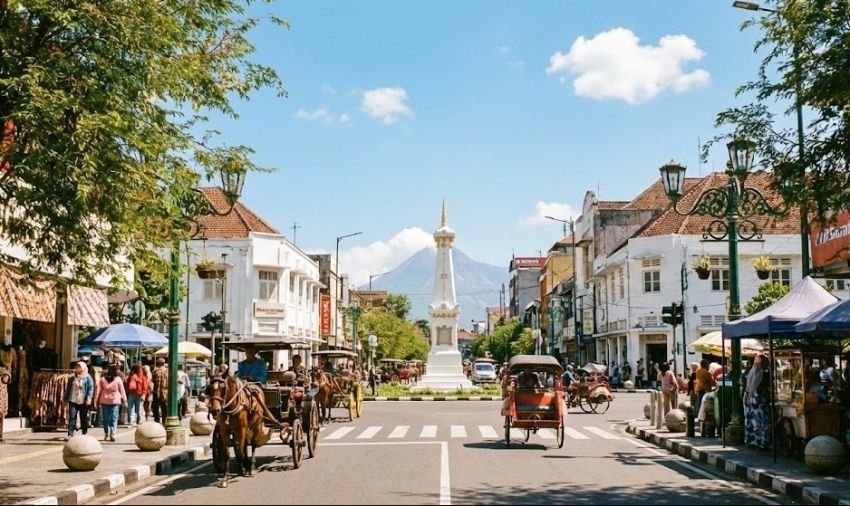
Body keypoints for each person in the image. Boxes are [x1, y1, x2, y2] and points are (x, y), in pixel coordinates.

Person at [744, 354, 771, 450]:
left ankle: (752, 441)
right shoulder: (764, 373)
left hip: (751, 400)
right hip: (759, 401)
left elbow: (746, 385)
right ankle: (762, 443)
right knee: (762, 422)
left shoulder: (749, 372)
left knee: (752, 422)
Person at [64, 361, 94, 440]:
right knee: (72, 417)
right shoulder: (72, 378)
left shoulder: (88, 377)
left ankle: (84, 432)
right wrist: (65, 399)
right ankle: (70, 434)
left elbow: (91, 388)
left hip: (83, 401)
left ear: (83, 368)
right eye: (77, 367)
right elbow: (68, 389)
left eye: (79, 367)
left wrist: (89, 398)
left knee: (83, 417)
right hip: (73, 400)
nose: (77, 369)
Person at [97, 365, 126, 442]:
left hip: (115, 401)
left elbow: (122, 390)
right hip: (105, 401)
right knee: (105, 419)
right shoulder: (102, 380)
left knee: (113, 417)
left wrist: (124, 399)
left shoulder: (118, 379)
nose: (118, 371)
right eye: (117, 370)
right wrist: (95, 398)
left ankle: (112, 433)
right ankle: (106, 432)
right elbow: (98, 390)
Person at [151, 358, 169, 424]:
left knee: (155, 408)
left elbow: (152, 381)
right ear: (164, 363)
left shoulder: (155, 371)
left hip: (156, 392)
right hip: (165, 392)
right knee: (164, 408)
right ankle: (164, 422)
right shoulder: (167, 371)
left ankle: (157, 421)